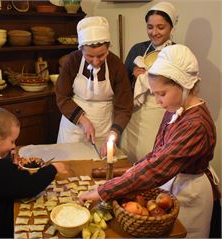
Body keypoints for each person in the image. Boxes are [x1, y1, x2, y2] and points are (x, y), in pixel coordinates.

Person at [79, 44, 218, 238]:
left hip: (191, 191)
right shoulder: (175, 109)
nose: (158, 101)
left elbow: (158, 167)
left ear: (183, 85)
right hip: (173, 183)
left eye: (162, 94)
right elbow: (157, 153)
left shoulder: (196, 125)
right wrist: (131, 171)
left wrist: (104, 191)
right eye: (155, 94)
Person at [0, 107, 68, 238]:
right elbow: (28, 186)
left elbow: (5, 179)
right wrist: (52, 169)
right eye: (12, 141)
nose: (14, 146)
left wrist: (9, 163)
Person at [56, 16, 133, 157]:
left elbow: (124, 106)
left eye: (101, 55)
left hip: (104, 127)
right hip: (73, 126)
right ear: (81, 50)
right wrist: (84, 121)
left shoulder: (116, 65)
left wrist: (114, 133)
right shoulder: (72, 61)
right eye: (89, 56)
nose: (96, 61)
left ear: (108, 48)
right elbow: (62, 97)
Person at [121, 1, 179, 162]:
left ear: (171, 27)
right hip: (136, 114)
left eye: (161, 27)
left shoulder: (177, 53)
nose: (154, 32)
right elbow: (123, 83)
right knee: (131, 155)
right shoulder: (138, 49)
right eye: (150, 27)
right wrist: (134, 75)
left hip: (162, 112)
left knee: (154, 157)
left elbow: (181, 87)